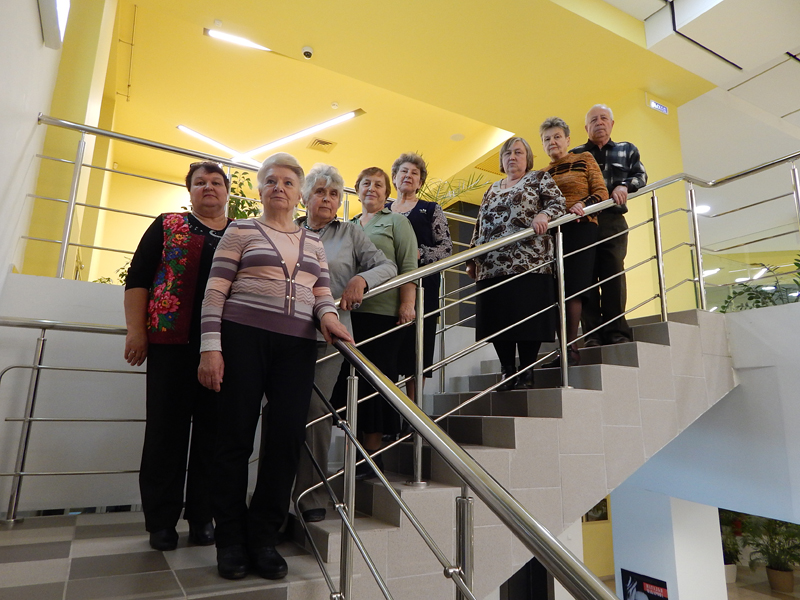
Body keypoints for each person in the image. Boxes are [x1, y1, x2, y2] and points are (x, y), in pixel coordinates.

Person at [197, 153, 352, 581]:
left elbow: (322, 294)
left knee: (285, 440)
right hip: (243, 340)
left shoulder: (313, 243)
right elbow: (215, 293)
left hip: (296, 348)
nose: (279, 187)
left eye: (287, 182)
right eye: (271, 181)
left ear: (299, 193)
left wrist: (329, 318)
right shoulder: (240, 230)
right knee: (234, 439)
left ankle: (263, 538)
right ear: (260, 189)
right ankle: (231, 541)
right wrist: (211, 348)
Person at [124, 161, 231, 551]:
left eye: (216, 182)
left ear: (227, 191)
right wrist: (137, 331)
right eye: (200, 182)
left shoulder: (242, 233)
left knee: (213, 435)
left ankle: (203, 518)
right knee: (164, 433)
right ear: (190, 191)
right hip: (170, 345)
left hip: (223, 349)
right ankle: (161, 521)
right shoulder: (168, 225)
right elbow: (138, 277)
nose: (208, 187)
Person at [292, 163, 396, 522]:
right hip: (284, 334)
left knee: (315, 412)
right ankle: (274, 498)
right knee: (278, 411)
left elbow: (387, 266)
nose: (327, 198)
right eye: (320, 192)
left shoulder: (350, 233)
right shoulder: (288, 230)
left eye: (334, 194)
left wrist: (361, 280)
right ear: (305, 197)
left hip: (329, 337)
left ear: (340, 202)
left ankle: (310, 496)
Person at [331, 166, 417, 479]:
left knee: (375, 384)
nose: (372, 188)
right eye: (366, 183)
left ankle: (372, 456)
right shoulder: (348, 226)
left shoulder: (397, 222)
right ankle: (355, 453)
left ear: (386, 192)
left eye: (379, 184)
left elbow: (408, 266)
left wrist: (407, 304)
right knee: (349, 384)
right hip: (349, 316)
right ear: (357, 190)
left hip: (384, 315)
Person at [465, 137, 566, 390]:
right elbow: (479, 224)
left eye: (518, 152)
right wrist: (471, 258)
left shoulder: (539, 178)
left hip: (530, 263)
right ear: (501, 160)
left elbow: (558, 203)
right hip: (491, 267)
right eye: (507, 153)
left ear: (528, 158)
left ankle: (527, 371)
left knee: (527, 320)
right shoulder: (492, 188)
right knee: (498, 320)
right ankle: (507, 371)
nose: (512, 157)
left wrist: (543, 214)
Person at [570, 104, 647, 346]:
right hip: (583, 223)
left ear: (612, 124)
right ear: (586, 127)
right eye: (593, 120)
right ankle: (592, 334)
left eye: (604, 118)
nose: (599, 122)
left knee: (613, 274)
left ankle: (617, 332)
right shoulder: (576, 154)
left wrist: (625, 185)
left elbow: (641, 176)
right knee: (586, 278)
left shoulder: (627, 149)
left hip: (613, 220)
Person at [540, 117, 608, 366]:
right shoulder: (541, 174)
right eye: (547, 139)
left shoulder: (584, 159)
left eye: (557, 136)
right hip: (551, 235)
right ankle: (563, 350)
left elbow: (601, 192)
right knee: (555, 293)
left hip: (580, 227)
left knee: (574, 289)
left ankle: (571, 348)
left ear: (568, 140)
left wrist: (583, 205)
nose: (552, 142)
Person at [387, 153, 452, 405]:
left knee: (418, 349)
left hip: (423, 289)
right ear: (394, 177)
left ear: (420, 182)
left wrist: (418, 253)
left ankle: (413, 414)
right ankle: (388, 414)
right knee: (388, 350)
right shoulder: (382, 210)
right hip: (386, 288)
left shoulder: (431, 209)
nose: (408, 176)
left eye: (415, 173)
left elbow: (446, 248)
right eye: (404, 171)